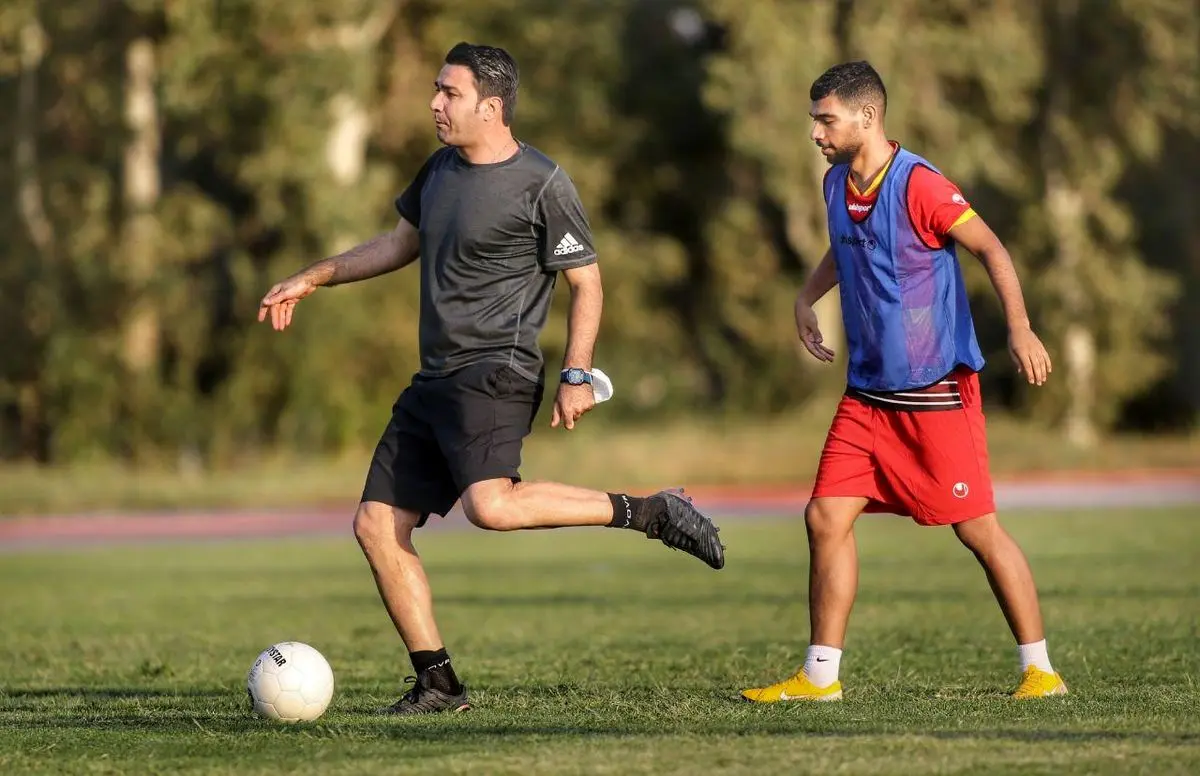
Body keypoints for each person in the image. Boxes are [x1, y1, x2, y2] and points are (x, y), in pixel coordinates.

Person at [257, 42, 725, 715]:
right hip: (435, 380)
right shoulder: (438, 171)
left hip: (496, 371)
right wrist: (312, 277)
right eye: (436, 90)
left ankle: (650, 511)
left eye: (448, 93)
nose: (434, 104)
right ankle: (439, 685)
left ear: (492, 106)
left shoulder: (543, 182)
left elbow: (587, 285)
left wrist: (575, 372)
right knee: (375, 524)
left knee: (492, 506)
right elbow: (396, 245)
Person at [739, 61, 1067, 703]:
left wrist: (1021, 330)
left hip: (935, 394)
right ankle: (820, 678)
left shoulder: (921, 184)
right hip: (867, 397)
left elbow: (993, 251)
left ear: (867, 117)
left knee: (977, 530)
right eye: (813, 120)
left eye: (825, 119)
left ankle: (1041, 671)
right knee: (825, 516)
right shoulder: (836, 182)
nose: (815, 132)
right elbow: (844, 243)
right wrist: (807, 296)